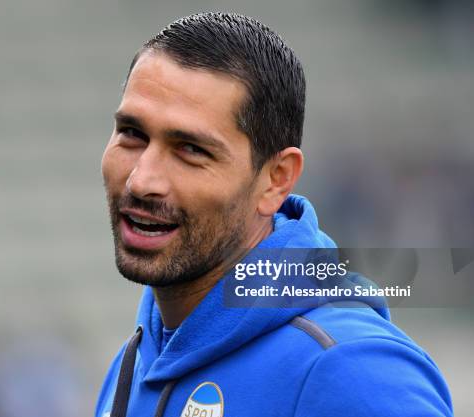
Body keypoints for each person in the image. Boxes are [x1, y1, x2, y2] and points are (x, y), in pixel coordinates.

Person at [96, 12, 453, 417]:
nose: (142, 181)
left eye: (191, 150)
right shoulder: (137, 359)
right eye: (132, 133)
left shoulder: (353, 371)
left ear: (275, 180)